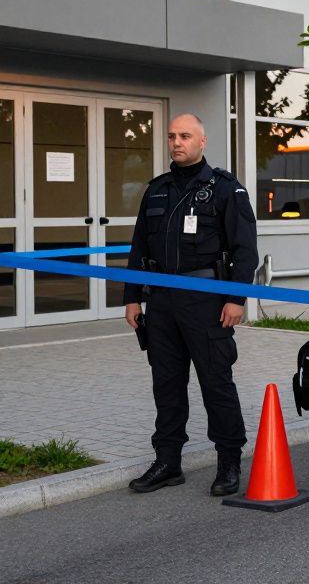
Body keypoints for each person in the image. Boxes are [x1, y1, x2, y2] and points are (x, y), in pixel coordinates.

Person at [122, 113, 258, 496]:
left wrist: (236, 298)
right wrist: (132, 297)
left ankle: (229, 460)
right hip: (161, 303)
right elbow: (139, 248)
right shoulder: (157, 189)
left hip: (207, 301)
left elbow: (245, 251)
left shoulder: (225, 189)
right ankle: (168, 462)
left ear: (202, 141)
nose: (176, 142)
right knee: (166, 383)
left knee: (216, 381)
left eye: (185, 136)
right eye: (171, 136)